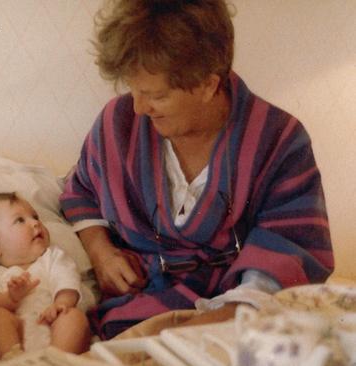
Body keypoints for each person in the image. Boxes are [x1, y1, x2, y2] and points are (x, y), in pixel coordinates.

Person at [59, 0, 334, 339]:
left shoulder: (278, 140)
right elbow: (80, 190)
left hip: (238, 312)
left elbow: (290, 247)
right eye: (133, 90)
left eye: (155, 95)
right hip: (134, 308)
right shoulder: (118, 124)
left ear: (207, 84)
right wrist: (101, 252)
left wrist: (193, 332)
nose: (139, 107)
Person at [0, 192, 91, 359]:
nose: (36, 222)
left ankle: (58, 360)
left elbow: (67, 280)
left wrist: (60, 304)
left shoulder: (52, 257)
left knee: (72, 316)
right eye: (20, 220)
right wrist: (11, 298)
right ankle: (12, 360)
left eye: (35, 216)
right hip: (18, 338)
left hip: (54, 327)